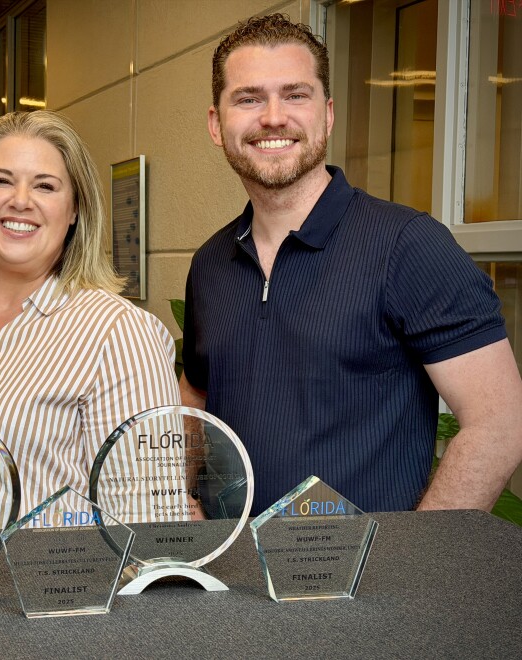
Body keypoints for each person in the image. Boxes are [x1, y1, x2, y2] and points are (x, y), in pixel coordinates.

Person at [181, 14, 522, 516]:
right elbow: (197, 391)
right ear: (216, 123)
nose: (273, 117)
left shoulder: (408, 245)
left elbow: (499, 422)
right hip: (227, 580)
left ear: (328, 113)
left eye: (296, 95)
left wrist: (407, 563)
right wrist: (188, 496)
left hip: (367, 586)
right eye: (249, 98)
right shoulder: (210, 262)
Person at [0, 110, 180, 523]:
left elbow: (146, 519)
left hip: (34, 587)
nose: (20, 200)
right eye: (1, 180)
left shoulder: (119, 332)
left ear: (75, 210)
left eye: (45, 186)